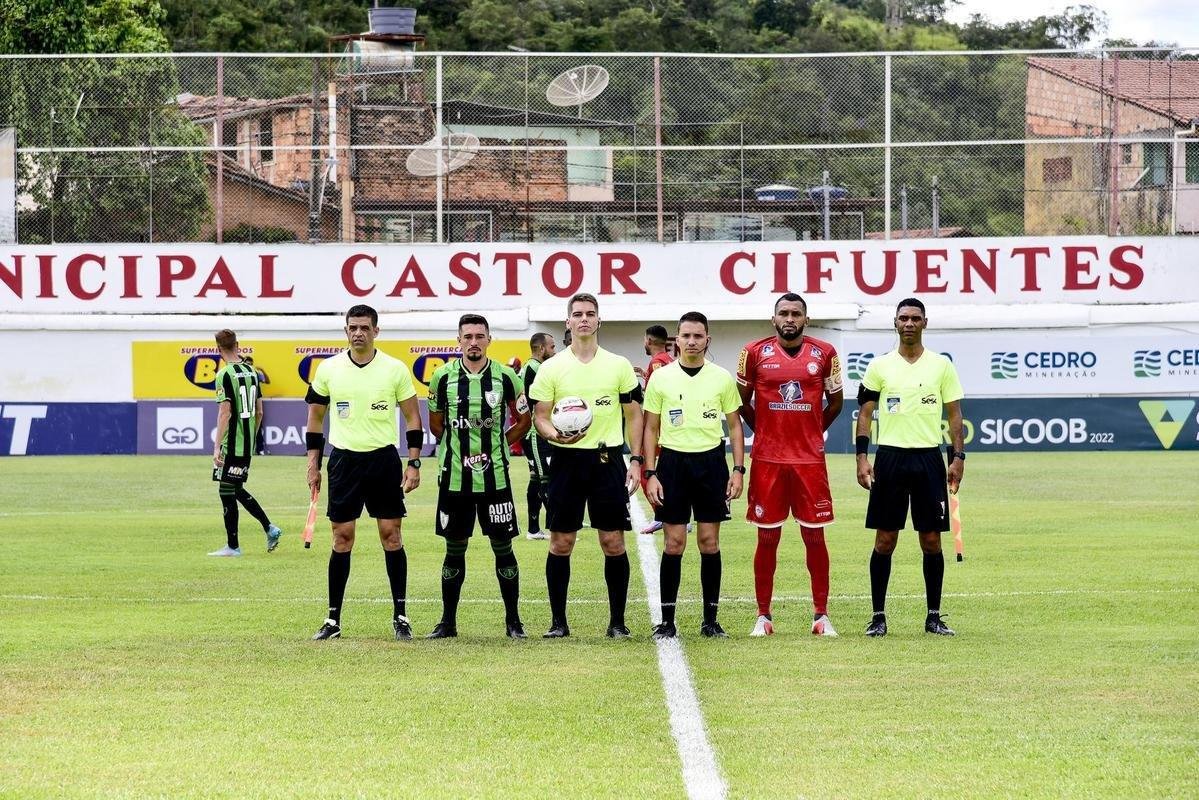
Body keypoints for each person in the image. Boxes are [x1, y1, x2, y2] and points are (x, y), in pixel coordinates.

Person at [305, 304, 424, 641]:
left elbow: (414, 420)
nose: (358, 333)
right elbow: (315, 421)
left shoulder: (395, 369)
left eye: (364, 328)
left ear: (376, 331)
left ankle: (401, 616)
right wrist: (312, 464)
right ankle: (333, 620)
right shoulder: (328, 370)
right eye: (352, 327)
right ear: (346, 331)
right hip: (343, 462)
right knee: (342, 537)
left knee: (391, 534)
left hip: (383, 461)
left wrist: (413, 462)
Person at [528, 292, 644, 639]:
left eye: (589, 314)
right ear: (568, 322)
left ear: (598, 320)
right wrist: (555, 436)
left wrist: (636, 460)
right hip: (566, 461)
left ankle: (617, 623)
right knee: (561, 542)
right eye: (577, 314)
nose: (583, 319)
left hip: (607, 459)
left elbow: (634, 415)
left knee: (613, 542)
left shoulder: (619, 365)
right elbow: (540, 416)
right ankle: (558, 623)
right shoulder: (552, 368)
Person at [855, 298, 964, 637]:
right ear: (895, 322)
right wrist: (861, 456)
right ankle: (878, 616)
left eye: (915, 318)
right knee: (885, 539)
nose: (909, 323)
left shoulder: (941, 366)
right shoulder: (879, 366)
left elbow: (955, 415)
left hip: (929, 459)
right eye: (903, 318)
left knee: (931, 540)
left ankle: (933, 617)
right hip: (890, 459)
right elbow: (865, 413)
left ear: (925, 323)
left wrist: (958, 458)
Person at [737, 293, 844, 637]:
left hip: (809, 461)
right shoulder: (753, 352)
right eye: (783, 313)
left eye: (796, 313)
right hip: (768, 460)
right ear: (773, 318)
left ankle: (821, 616)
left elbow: (836, 402)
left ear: (806, 319)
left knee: (815, 537)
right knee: (767, 538)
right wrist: (764, 431)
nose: (790, 318)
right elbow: (740, 403)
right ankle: (763, 616)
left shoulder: (825, 353)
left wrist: (813, 431)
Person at [425, 314, 532, 639]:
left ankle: (513, 622)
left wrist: (499, 443)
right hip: (455, 479)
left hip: (495, 479)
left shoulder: (507, 378)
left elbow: (524, 420)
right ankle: (448, 623)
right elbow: (436, 425)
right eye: (467, 336)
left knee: (503, 546)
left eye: (479, 336)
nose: (473, 341)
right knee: (454, 547)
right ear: (458, 340)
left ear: (489, 339)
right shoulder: (442, 378)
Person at [643, 312, 745, 639]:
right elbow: (651, 428)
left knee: (708, 541)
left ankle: (710, 621)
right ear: (677, 340)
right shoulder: (661, 378)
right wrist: (650, 472)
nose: (691, 341)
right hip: (672, 464)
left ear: (707, 340)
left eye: (698, 336)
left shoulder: (721, 378)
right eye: (685, 336)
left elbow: (734, 426)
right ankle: (667, 621)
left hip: (711, 463)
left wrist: (739, 470)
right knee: (674, 543)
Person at [208, 329, 282, 556]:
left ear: (217, 349)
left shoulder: (223, 375)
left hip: (231, 444)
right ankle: (269, 529)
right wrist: (250, 438)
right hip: (246, 443)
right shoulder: (252, 372)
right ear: (237, 344)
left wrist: (216, 446)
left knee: (226, 490)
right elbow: (259, 412)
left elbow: (225, 413)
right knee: (233, 488)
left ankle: (234, 546)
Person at [635, 324, 677, 534]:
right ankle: (677, 515)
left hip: (657, 427)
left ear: (649, 341)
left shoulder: (658, 362)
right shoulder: (668, 361)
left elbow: (660, 393)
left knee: (646, 473)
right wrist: (646, 376)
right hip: (667, 426)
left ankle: (663, 515)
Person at [521, 332, 557, 540]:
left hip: (537, 433)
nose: (554, 351)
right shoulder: (535, 369)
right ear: (541, 349)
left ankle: (534, 529)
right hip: (536, 434)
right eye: (552, 347)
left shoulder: (533, 368)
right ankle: (557, 528)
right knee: (547, 479)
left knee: (536, 480)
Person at [242, 355, 270, 455]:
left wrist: (262, 370)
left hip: (255, 402)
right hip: (244, 403)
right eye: (247, 363)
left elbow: (267, 381)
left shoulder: (256, 374)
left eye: (250, 364)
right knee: (242, 427)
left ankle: (259, 449)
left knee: (257, 427)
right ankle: (243, 449)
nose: (249, 365)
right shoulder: (240, 374)